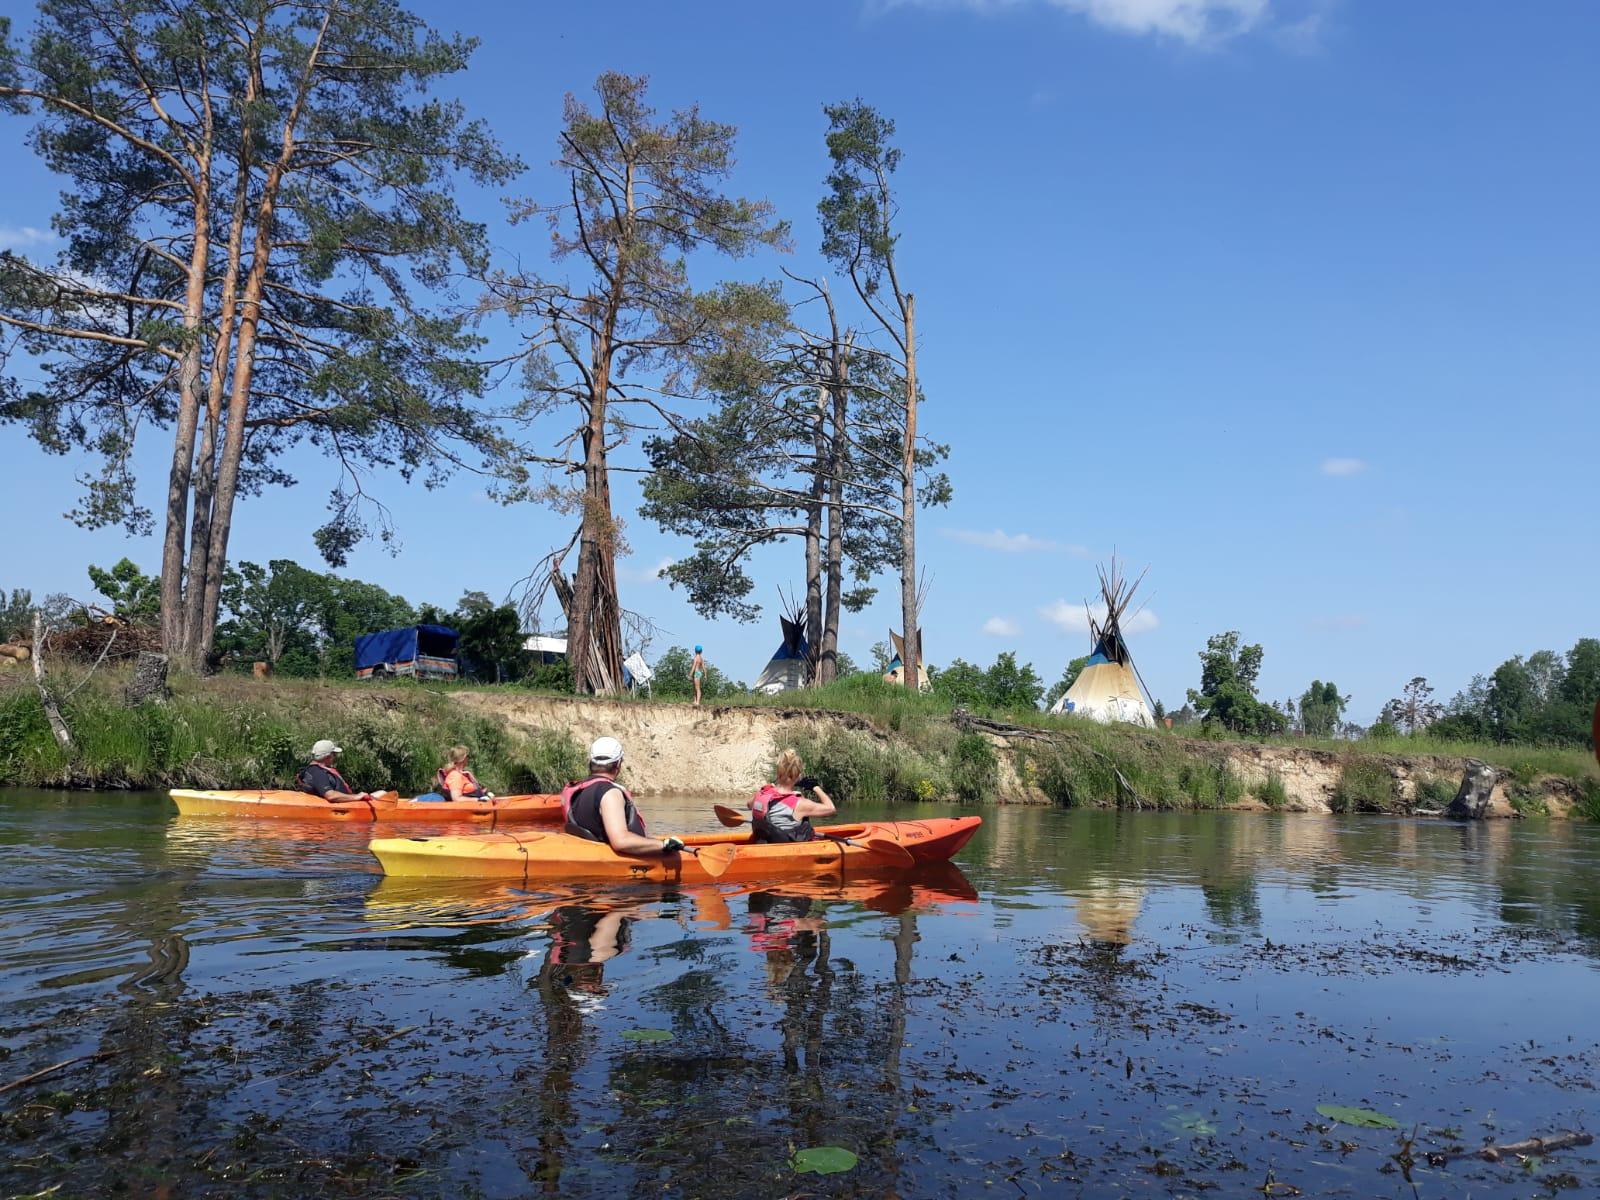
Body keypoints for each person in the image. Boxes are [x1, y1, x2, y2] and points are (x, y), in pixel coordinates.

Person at [561, 737, 686, 857]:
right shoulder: (610, 793)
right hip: (618, 868)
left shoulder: (580, 791)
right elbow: (621, 841)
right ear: (618, 764)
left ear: (590, 763)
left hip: (590, 856)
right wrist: (663, 845)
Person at [748, 749, 836, 843]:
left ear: (778, 773)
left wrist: (772, 788)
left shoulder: (761, 794)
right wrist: (815, 787)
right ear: (798, 776)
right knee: (806, 829)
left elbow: (749, 805)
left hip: (761, 844)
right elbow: (831, 808)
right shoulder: (800, 804)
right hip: (784, 850)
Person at [296, 739, 377, 803]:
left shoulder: (313, 769)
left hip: (348, 800)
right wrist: (357, 796)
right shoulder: (318, 773)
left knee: (382, 792)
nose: (335, 757)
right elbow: (330, 796)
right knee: (381, 794)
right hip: (346, 805)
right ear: (328, 757)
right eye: (334, 754)